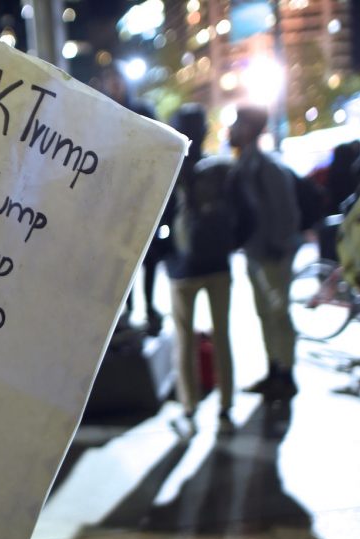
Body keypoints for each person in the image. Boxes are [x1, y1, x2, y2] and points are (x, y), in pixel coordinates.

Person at [164, 104, 252, 437]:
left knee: (184, 339)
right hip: (218, 265)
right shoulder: (221, 169)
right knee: (223, 334)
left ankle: (189, 405)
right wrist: (230, 246)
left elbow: (158, 220)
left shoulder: (172, 170)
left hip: (182, 269)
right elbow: (248, 215)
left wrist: (167, 254)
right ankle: (227, 403)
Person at [227, 105, 301, 401]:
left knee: (278, 314)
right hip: (257, 253)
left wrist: (278, 248)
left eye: (236, 123)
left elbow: (287, 212)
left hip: (272, 255)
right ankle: (274, 372)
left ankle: (286, 376)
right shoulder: (245, 163)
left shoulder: (266, 166)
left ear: (248, 129)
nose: (231, 129)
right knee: (265, 314)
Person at [96, 65, 168, 335]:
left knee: (148, 256)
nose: (114, 85)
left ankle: (149, 307)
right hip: (117, 200)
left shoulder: (144, 111)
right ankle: (126, 310)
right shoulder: (105, 114)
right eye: (109, 79)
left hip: (145, 196)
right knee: (121, 259)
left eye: (117, 79)